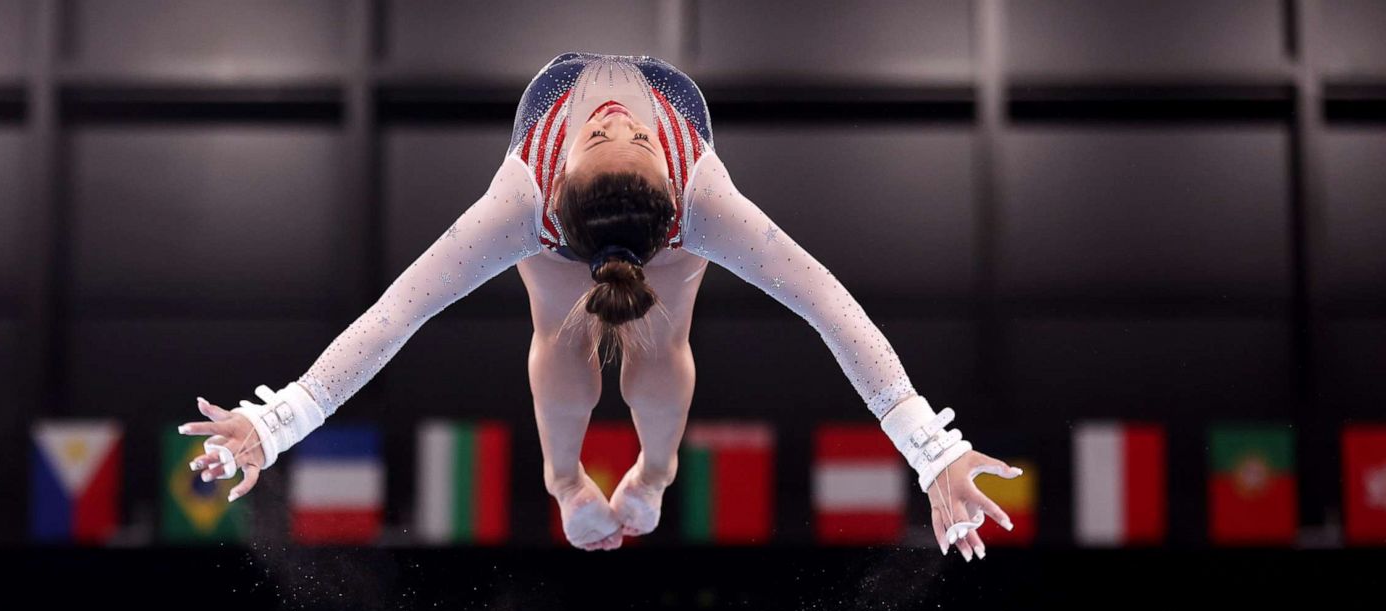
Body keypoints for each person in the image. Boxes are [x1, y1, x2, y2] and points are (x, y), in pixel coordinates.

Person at [178, 52, 1021, 559]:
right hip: (584, 236)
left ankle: (652, 474)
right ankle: (563, 479)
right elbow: (397, 315)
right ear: (556, 190)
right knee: (563, 325)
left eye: (626, 138)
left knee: (658, 334)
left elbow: (833, 311)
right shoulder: (522, 207)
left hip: (658, 237)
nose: (618, 118)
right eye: (613, 136)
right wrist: (278, 419)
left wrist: (930, 451)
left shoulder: (699, 205)